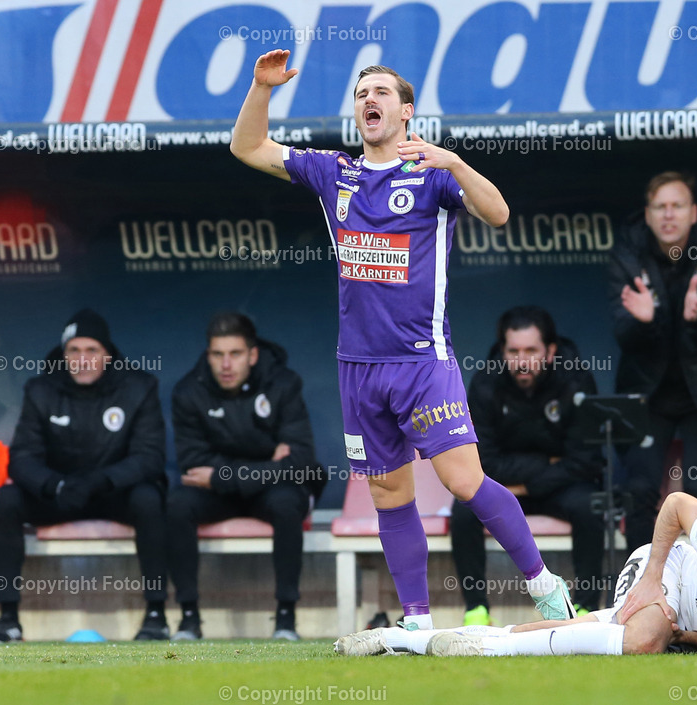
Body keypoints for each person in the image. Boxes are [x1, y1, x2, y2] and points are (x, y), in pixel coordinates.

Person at [230, 50, 574, 628]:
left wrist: (456, 162)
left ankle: (543, 584)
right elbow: (247, 147)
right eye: (363, 94)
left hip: (421, 363)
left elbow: (499, 213)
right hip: (358, 369)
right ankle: (417, 618)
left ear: (407, 111)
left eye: (382, 93)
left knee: (464, 481)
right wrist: (262, 89)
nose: (370, 100)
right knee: (390, 495)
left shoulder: (432, 175)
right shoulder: (333, 172)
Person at [335, 491, 697, 656]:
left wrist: (692, 638)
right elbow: (676, 503)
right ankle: (462, 641)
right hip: (668, 565)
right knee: (642, 638)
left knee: (655, 637)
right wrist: (655, 578)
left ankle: (424, 642)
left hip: (687, 620)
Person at [0, 309, 168, 642]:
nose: (83, 359)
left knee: (149, 498)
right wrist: (55, 484)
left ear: (107, 355)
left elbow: (149, 458)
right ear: (64, 355)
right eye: (74, 351)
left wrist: (101, 480)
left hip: (113, 493)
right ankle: (8, 618)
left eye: (92, 351)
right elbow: (22, 458)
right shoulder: (41, 389)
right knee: (7, 499)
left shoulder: (138, 387)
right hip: (60, 495)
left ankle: (156, 615)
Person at [608, 172, 697, 551]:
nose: (669, 215)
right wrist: (648, 322)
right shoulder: (627, 254)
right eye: (660, 207)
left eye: (677, 206)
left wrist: (696, 318)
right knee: (638, 490)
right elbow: (623, 334)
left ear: (694, 213)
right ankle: (638, 588)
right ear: (648, 215)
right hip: (649, 395)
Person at [167, 312, 325, 640]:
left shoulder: (283, 384)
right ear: (207, 355)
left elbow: (302, 462)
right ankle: (188, 618)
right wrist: (268, 460)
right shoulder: (188, 392)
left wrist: (224, 474)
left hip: (266, 491)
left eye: (235, 354)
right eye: (217, 354)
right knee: (177, 504)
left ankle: (285, 619)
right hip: (222, 493)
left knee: (287, 502)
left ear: (252, 355)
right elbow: (194, 464)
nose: (226, 364)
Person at [451, 306, 604, 625]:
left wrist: (526, 484)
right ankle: (476, 610)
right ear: (503, 351)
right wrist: (545, 465)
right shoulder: (485, 383)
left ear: (550, 351)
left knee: (591, 505)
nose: (522, 361)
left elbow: (585, 462)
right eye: (514, 351)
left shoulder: (575, 379)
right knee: (464, 510)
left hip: (561, 486)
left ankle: (585, 609)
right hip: (509, 484)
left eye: (531, 351)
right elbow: (484, 461)